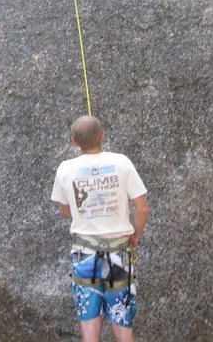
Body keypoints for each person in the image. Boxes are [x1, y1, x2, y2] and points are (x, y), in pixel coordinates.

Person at [51, 115, 149, 342]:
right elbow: (142, 208)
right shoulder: (122, 163)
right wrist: (136, 234)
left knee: (89, 326)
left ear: (74, 142)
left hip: (84, 253)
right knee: (122, 323)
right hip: (119, 253)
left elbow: (66, 212)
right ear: (103, 135)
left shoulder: (66, 169)